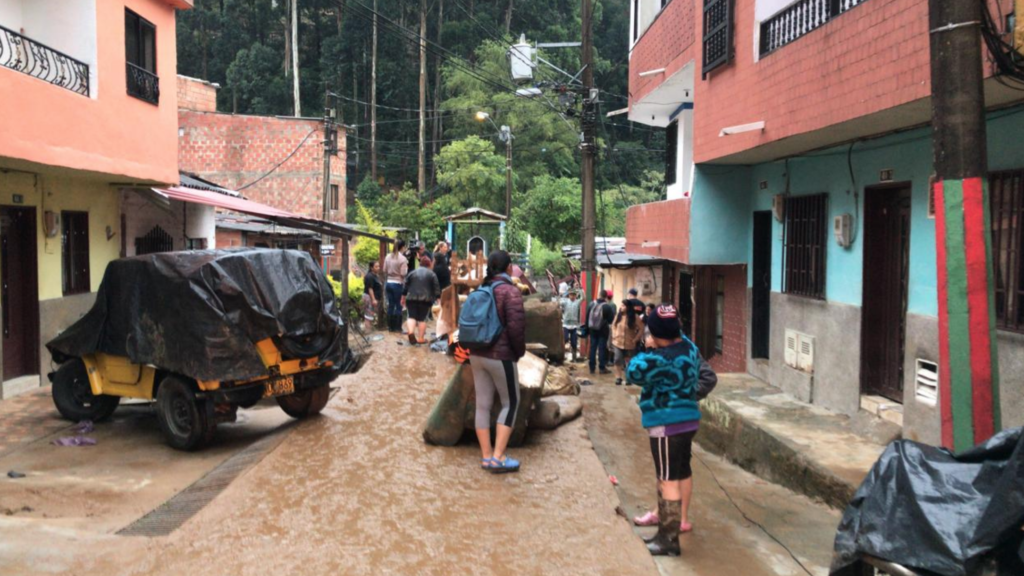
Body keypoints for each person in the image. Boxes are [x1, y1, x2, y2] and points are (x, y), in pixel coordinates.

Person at [627, 304, 717, 556]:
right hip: (688, 422)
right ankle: (673, 527)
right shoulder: (690, 348)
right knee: (680, 472)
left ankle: (668, 540)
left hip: (666, 424)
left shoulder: (658, 359)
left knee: (666, 480)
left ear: (655, 334)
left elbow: (633, 371)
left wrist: (648, 348)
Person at [471, 250, 526, 473]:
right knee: (510, 403)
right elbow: (516, 329)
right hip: (500, 356)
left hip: (476, 353)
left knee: (482, 405)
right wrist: (518, 353)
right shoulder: (511, 292)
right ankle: (498, 457)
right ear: (509, 267)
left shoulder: (480, 289)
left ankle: (486, 456)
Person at [403, 254, 441, 345]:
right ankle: (420, 338)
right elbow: (436, 288)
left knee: (411, 316)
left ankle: (411, 332)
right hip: (425, 300)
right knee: (422, 319)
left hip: (411, 298)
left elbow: (405, 286)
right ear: (429, 264)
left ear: (420, 264)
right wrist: (438, 300)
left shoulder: (412, 273)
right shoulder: (432, 274)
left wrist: (403, 297)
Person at [611, 300, 644, 386]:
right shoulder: (618, 316)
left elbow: (641, 328)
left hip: (629, 343)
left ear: (628, 307)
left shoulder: (635, 317)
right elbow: (613, 326)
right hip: (617, 342)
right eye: (621, 305)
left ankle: (628, 378)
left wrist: (636, 339)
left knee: (628, 362)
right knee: (617, 359)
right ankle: (618, 377)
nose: (621, 307)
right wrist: (614, 335)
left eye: (623, 306)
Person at [585, 289, 617, 375]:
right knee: (602, 348)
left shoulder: (591, 304)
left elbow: (587, 317)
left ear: (599, 295)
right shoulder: (607, 307)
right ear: (606, 297)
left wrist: (587, 330)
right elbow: (611, 320)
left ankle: (592, 368)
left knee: (593, 348)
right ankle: (602, 368)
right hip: (603, 331)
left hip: (592, 330)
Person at [383, 239, 409, 333]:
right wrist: (406, 268)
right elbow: (403, 273)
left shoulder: (388, 256)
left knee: (391, 305)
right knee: (399, 305)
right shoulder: (403, 259)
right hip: (398, 283)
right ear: (402, 247)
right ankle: (398, 328)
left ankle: (390, 327)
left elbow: (384, 270)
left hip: (388, 283)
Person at [559, 289, 581, 362]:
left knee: (574, 342)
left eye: (574, 295)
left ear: (575, 296)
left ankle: (574, 358)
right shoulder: (565, 302)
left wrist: (580, 290)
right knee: (565, 339)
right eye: (571, 295)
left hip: (574, 325)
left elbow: (583, 298)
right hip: (566, 325)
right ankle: (561, 356)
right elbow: (559, 302)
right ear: (569, 295)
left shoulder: (577, 302)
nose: (572, 296)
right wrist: (564, 295)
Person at [362, 261, 383, 332]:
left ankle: (369, 330)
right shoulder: (369, 276)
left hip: (373, 297)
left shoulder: (375, 275)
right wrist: (373, 299)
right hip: (369, 297)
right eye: (376, 267)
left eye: (378, 266)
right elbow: (370, 289)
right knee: (368, 315)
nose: (378, 268)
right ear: (371, 268)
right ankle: (368, 331)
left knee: (371, 314)